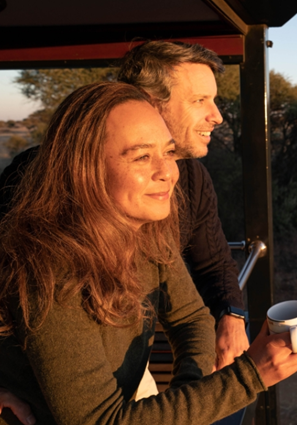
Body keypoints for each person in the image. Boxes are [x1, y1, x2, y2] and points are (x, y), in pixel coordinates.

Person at [0, 82, 297, 425]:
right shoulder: (52, 272)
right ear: (83, 170)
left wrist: (189, 400)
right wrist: (249, 377)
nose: (168, 172)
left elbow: (191, 318)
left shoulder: (146, 231)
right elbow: (101, 421)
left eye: (168, 152)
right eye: (141, 157)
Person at [1, 41, 247, 375]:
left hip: (128, 359)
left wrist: (231, 315)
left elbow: (211, 267)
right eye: (199, 100)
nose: (216, 116)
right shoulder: (38, 176)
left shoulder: (188, 178)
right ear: (149, 102)